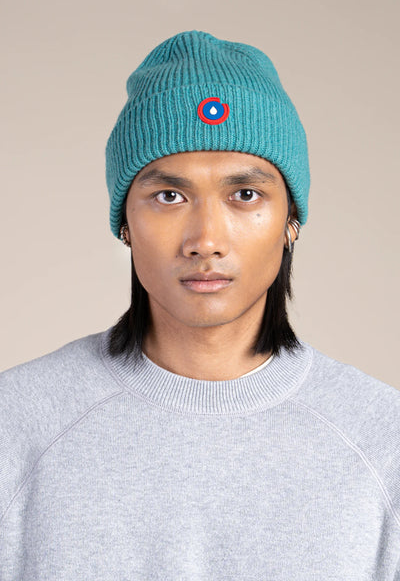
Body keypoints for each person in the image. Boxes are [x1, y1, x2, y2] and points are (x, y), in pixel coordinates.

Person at [1, 30, 399, 580]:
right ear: (124, 223)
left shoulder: (383, 439)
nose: (205, 240)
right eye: (169, 196)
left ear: (291, 221)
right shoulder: (16, 424)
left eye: (245, 195)